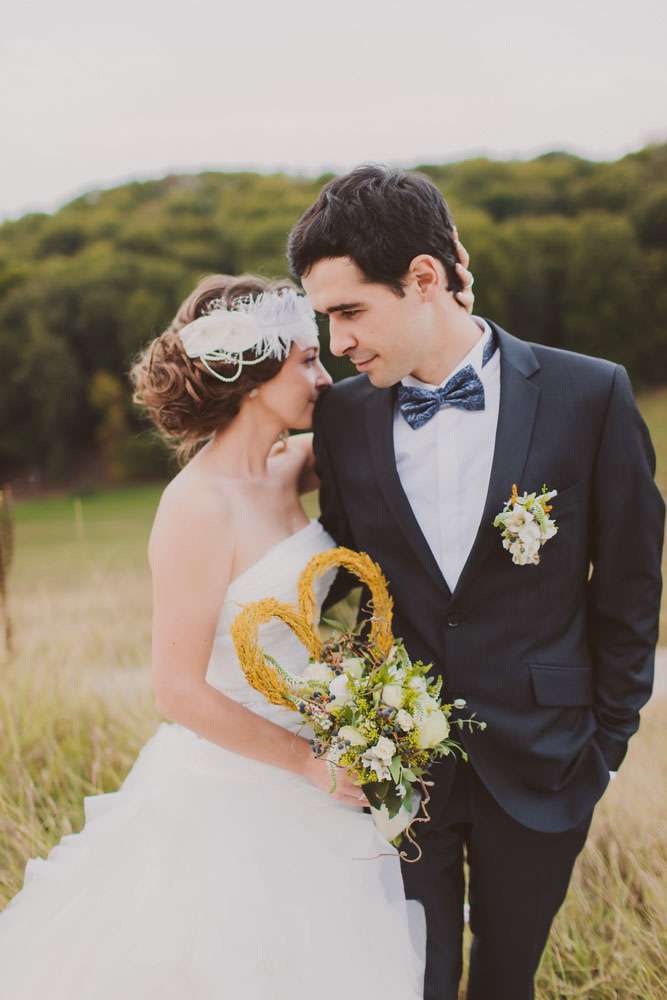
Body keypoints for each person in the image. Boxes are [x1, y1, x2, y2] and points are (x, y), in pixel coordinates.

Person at [0, 267, 473, 998]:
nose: (325, 377)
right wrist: (309, 763)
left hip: (327, 772)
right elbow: (176, 690)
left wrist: (444, 307)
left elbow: (389, 410)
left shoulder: (290, 468)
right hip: (236, 787)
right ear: (252, 380)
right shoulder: (195, 508)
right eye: (306, 361)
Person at [287, 165, 665, 1000]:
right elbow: (347, 581)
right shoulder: (342, 418)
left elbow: (631, 586)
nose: (337, 342)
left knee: (504, 981)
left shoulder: (588, 393)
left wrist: (603, 748)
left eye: (350, 311)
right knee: (410, 980)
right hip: (398, 768)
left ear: (424, 278)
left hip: (547, 760)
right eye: (325, 318)